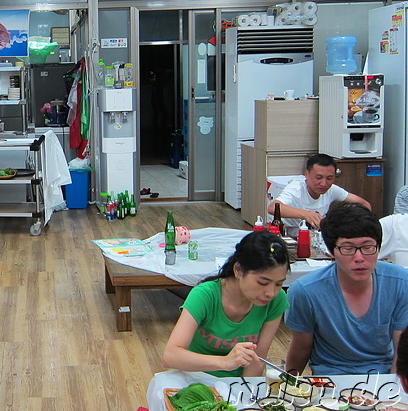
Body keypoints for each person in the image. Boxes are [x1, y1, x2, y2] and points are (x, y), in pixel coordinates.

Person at [285, 202, 408, 376]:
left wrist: (394, 393)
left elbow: (401, 353)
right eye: (348, 248)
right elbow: (301, 349)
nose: (359, 258)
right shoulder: (305, 291)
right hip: (329, 379)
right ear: (331, 251)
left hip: (382, 378)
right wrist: (287, 389)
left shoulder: (400, 282)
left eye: (367, 247)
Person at [162, 231, 290, 378]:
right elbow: (170, 356)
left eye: (279, 284)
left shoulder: (276, 300)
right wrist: (224, 362)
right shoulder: (205, 295)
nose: (271, 293)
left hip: (237, 384)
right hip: (195, 379)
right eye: (263, 283)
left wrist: (242, 393)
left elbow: (257, 359)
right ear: (238, 270)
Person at [267, 153, 371, 236]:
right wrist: (306, 214)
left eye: (329, 178)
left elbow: (365, 204)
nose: (324, 183)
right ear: (306, 174)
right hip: (291, 236)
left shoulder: (332, 190)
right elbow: (272, 208)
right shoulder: (296, 188)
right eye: (318, 178)